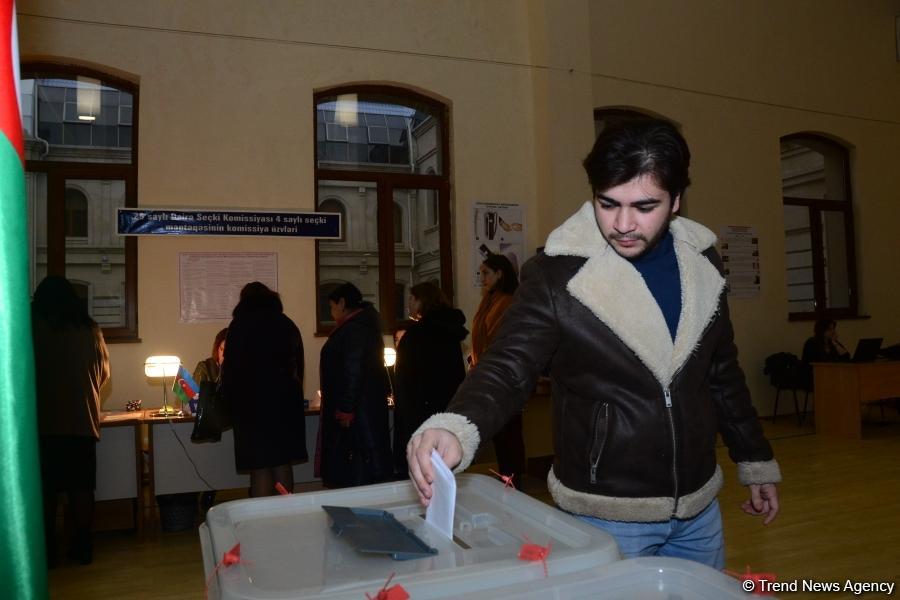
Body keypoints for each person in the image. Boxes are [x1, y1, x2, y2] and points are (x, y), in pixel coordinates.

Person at [407, 119, 781, 569]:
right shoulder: (556, 273)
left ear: (676, 200)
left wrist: (755, 460)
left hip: (699, 509)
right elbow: (508, 366)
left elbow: (722, 373)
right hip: (606, 514)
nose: (623, 224)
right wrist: (456, 426)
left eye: (645, 207)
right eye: (608, 204)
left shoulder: (703, 262)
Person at [32, 276, 110, 566]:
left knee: (46, 490)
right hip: (81, 422)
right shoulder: (89, 329)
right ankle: (82, 545)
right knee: (81, 487)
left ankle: (47, 550)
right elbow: (103, 374)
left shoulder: (32, 329)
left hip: (42, 422)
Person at [222, 282, 306, 497]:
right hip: (284, 405)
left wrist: (229, 404)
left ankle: (260, 518)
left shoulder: (239, 326)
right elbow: (299, 367)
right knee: (281, 462)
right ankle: (287, 512)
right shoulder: (287, 324)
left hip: (251, 406)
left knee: (259, 466)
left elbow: (230, 370)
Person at [317, 282, 392, 487]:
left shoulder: (353, 330)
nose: (331, 313)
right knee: (361, 463)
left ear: (342, 303)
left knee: (356, 465)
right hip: (364, 410)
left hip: (357, 413)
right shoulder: (363, 326)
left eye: (332, 306)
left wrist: (346, 408)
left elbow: (353, 369)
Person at [393, 282, 467, 475]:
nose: (408, 302)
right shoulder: (449, 332)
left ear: (421, 301)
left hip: (420, 415)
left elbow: (404, 382)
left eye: (411, 298)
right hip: (447, 409)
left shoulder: (416, 335)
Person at [470, 254, 526, 489]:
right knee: (501, 435)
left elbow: (503, 340)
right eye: (481, 273)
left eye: (486, 273)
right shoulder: (490, 300)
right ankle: (507, 478)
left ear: (500, 274)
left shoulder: (509, 301)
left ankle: (512, 482)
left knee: (509, 435)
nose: (482, 278)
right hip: (490, 375)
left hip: (505, 377)